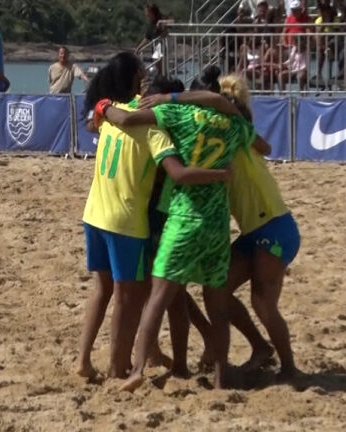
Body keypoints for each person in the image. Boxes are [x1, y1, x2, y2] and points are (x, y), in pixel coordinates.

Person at [97, 66, 257, 391]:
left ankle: (138, 370)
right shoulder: (236, 125)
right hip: (217, 223)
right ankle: (221, 376)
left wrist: (102, 105)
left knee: (159, 297)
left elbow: (127, 120)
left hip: (184, 217)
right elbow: (261, 145)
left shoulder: (177, 114)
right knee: (216, 305)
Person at [144, 75, 301, 380]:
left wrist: (168, 101)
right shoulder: (236, 134)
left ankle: (289, 368)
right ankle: (259, 347)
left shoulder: (233, 133)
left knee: (262, 302)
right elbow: (264, 146)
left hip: (273, 226)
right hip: (255, 230)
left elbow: (256, 141)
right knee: (218, 290)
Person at [136, 4, 166, 73]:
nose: (146, 14)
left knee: (159, 64)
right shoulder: (151, 24)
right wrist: (138, 48)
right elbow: (147, 37)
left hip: (161, 45)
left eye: (147, 12)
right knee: (157, 65)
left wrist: (162, 23)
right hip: (155, 46)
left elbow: (171, 22)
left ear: (151, 12)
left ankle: (162, 76)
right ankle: (160, 76)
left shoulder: (161, 19)